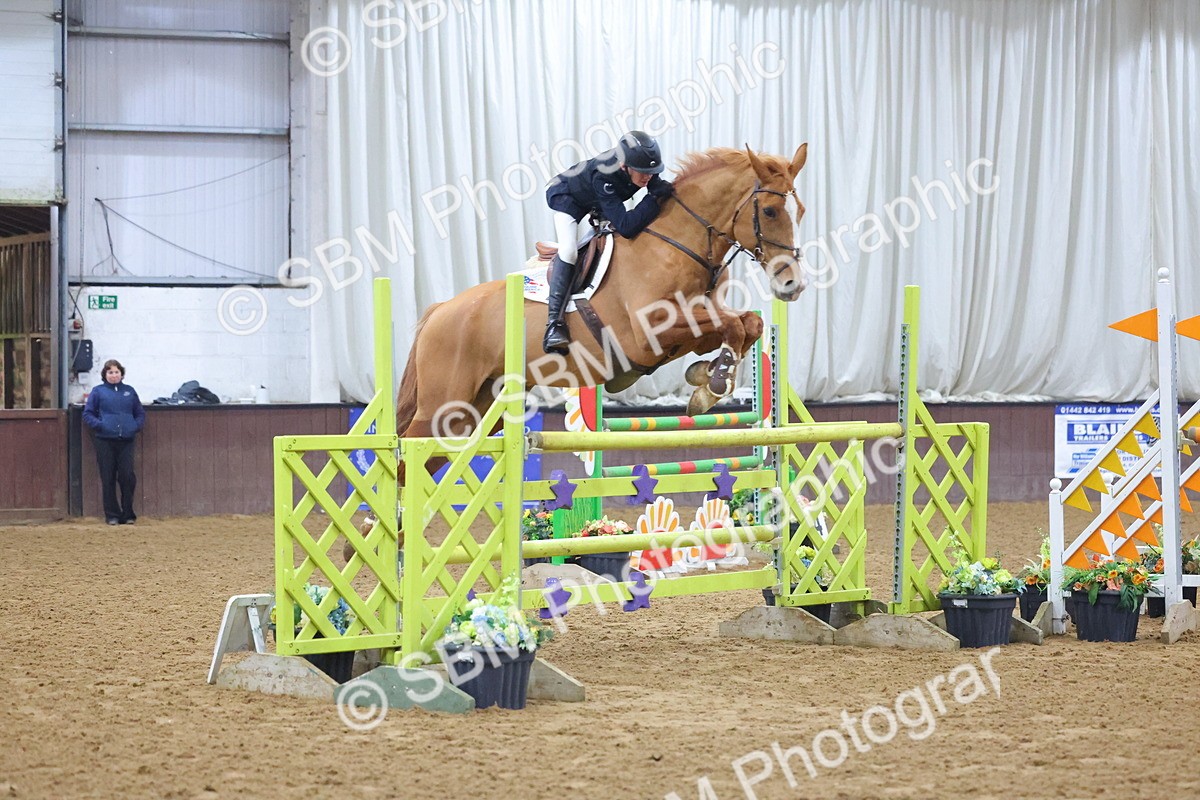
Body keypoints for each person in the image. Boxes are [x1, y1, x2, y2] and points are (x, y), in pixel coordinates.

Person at [542, 130, 675, 353]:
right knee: (569, 251)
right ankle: (554, 325)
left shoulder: (640, 169)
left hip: (597, 199)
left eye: (652, 172)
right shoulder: (604, 176)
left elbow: (658, 188)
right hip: (566, 196)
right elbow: (627, 225)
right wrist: (653, 199)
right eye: (643, 172)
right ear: (624, 166)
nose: (648, 178)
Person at [82, 359, 146, 525]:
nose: (114, 375)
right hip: (105, 440)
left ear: (121, 374)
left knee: (127, 476)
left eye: (116, 372)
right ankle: (112, 514)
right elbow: (88, 413)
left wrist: (134, 426)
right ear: (105, 374)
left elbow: (139, 413)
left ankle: (128, 513)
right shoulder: (98, 392)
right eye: (110, 372)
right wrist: (100, 426)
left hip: (126, 440)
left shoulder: (129, 392)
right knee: (108, 477)